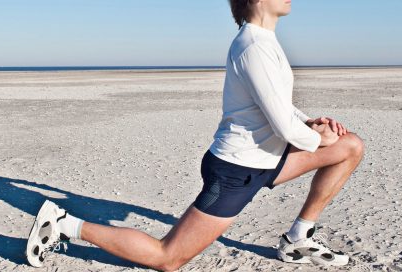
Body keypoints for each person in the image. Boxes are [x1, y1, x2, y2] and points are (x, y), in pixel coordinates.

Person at [25, 0, 365, 270]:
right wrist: (318, 138)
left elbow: (281, 108)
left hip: (267, 159)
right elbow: (282, 125)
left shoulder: (265, 41)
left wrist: (312, 124)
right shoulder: (253, 48)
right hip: (236, 170)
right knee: (168, 257)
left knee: (350, 147)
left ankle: (298, 239)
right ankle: (63, 224)